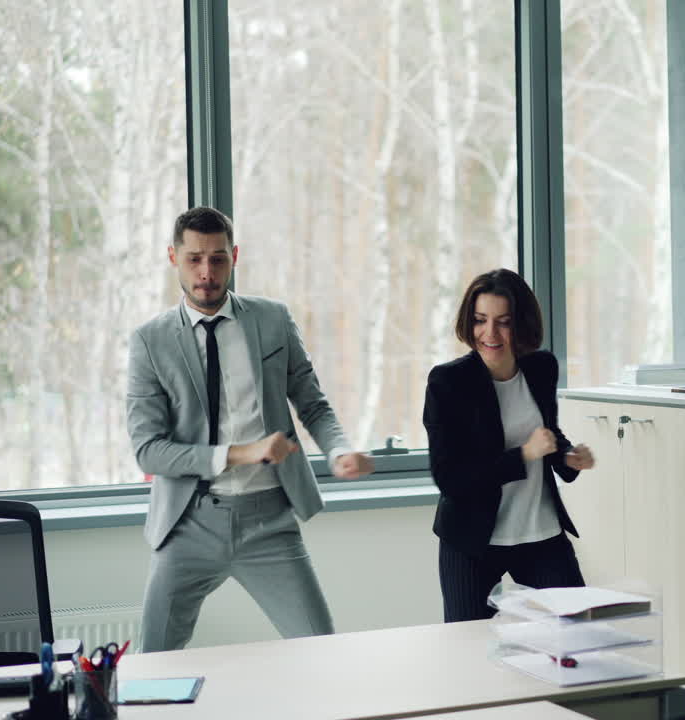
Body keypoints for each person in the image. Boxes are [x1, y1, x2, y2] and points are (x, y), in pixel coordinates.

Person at [126, 206, 374, 652]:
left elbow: (312, 403)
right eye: (194, 259)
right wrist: (242, 452)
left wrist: (338, 451)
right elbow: (149, 450)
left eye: (218, 258)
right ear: (173, 257)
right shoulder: (151, 340)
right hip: (188, 523)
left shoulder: (272, 320)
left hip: (269, 521)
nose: (207, 272)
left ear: (234, 256)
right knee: (152, 665)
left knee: (325, 654)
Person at [423, 268, 597, 622]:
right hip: (473, 540)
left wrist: (567, 457)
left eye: (503, 322)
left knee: (577, 632)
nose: (490, 333)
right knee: (466, 650)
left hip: (540, 533)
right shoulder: (448, 382)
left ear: (521, 324)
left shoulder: (541, 367)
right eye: (480, 320)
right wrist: (524, 455)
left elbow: (546, 432)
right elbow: (450, 478)